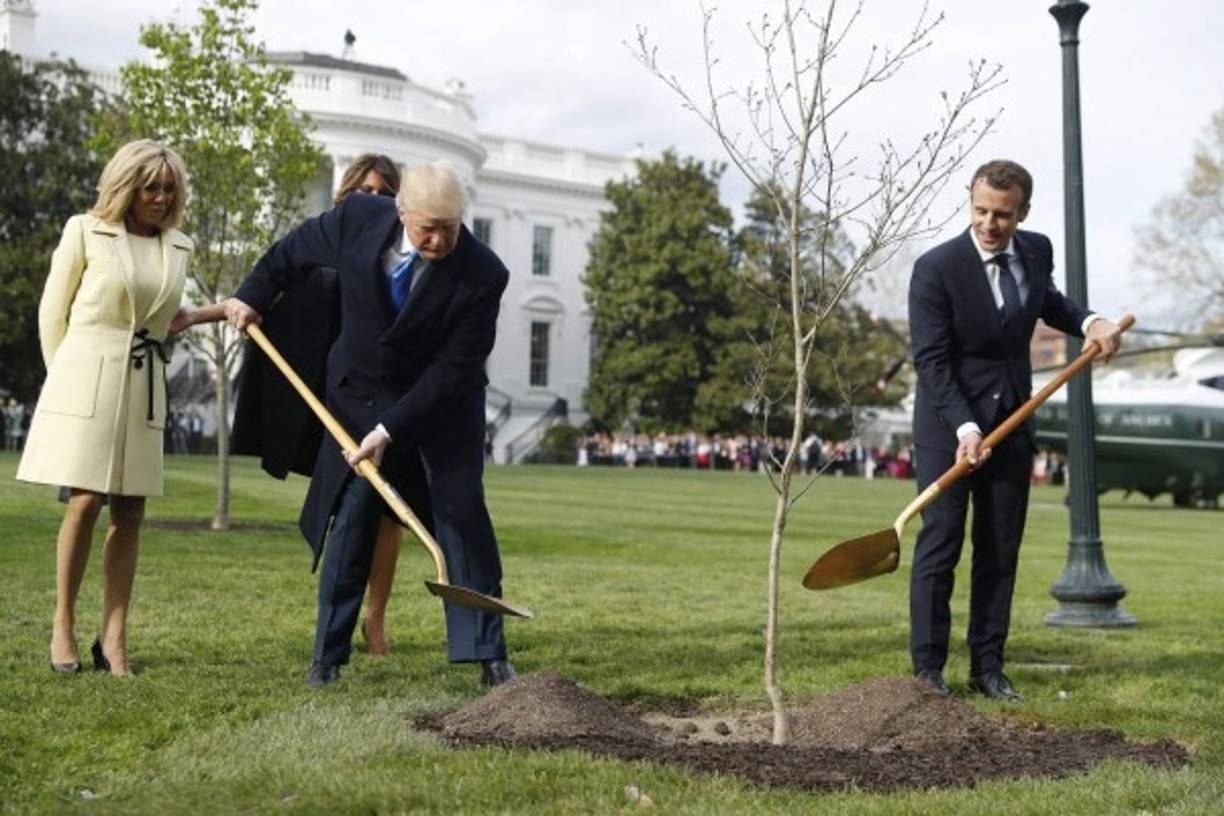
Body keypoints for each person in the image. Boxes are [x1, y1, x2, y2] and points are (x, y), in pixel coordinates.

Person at [220, 161, 515, 689]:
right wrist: (251, 294)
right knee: (353, 516)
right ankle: (326, 659)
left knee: (460, 510)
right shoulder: (357, 217)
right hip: (359, 396)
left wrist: (390, 431)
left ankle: (488, 655)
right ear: (401, 211)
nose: (440, 239)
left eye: (450, 228)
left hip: (441, 408)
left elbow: (453, 371)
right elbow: (292, 252)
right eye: (428, 227)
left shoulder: (483, 273)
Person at [907, 159, 1121, 700]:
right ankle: (928, 673)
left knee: (1000, 551)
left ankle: (988, 669)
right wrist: (965, 427)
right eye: (980, 210)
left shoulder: (1035, 250)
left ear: (1022, 212)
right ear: (971, 202)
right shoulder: (936, 269)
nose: (989, 224)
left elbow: (1046, 301)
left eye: (1002, 214)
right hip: (947, 427)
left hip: (1012, 424)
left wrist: (1089, 321)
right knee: (942, 546)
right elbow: (932, 363)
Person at [223, 153, 416, 657]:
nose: (372, 201)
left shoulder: (404, 253)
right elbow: (278, 270)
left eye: (383, 193)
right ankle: (337, 624)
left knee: (388, 512)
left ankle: (375, 618)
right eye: (363, 190)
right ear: (345, 193)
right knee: (349, 507)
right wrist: (247, 300)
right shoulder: (326, 238)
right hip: (332, 391)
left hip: (386, 391)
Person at [17, 139, 194, 677]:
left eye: (168, 188)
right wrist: (66, 383)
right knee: (86, 501)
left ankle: (113, 638)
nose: (160, 198)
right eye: (150, 187)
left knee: (131, 511)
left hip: (143, 383)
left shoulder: (179, 246)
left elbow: (165, 320)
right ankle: (63, 625)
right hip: (85, 380)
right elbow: (53, 313)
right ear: (125, 186)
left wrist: (223, 308)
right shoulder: (83, 231)